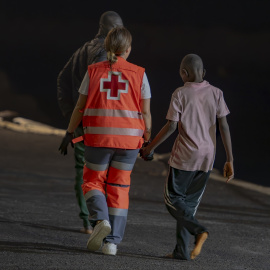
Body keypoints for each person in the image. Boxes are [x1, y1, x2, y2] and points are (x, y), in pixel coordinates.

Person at [59, 26, 152, 256]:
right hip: (129, 142)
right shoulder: (140, 73)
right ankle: (112, 244)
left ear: (107, 47)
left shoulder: (93, 72)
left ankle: (100, 220)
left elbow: (80, 107)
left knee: (92, 181)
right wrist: (147, 140)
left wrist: (70, 132)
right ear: (128, 49)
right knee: (119, 188)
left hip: (98, 139)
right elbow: (146, 113)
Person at [141, 54, 234, 260]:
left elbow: (171, 126)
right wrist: (230, 159)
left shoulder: (180, 93)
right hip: (207, 158)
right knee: (188, 206)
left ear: (184, 73)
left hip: (185, 157)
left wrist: (149, 148)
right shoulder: (217, 93)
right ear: (204, 73)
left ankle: (199, 230)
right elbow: (224, 126)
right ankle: (181, 251)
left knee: (172, 199)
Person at [57, 11, 123, 234]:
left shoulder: (80, 51)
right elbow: (104, 92)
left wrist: (70, 115)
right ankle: (98, 220)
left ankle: (87, 220)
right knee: (101, 173)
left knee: (82, 170)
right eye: (118, 30)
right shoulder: (105, 54)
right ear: (109, 30)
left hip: (80, 123)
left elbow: (62, 79)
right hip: (99, 124)